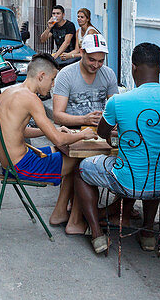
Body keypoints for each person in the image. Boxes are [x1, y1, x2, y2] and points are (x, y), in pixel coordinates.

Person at [73, 43, 160, 254]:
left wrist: (121, 132)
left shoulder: (118, 101)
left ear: (133, 68)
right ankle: (148, 233)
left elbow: (103, 133)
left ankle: (96, 234)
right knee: (157, 166)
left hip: (126, 180)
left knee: (81, 169)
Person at [49, 33, 119, 233]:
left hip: (98, 134)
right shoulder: (67, 75)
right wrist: (84, 120)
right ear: (81, 52)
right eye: (91, 59)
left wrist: (110, 123)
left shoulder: (108, 74)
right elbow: (58, 116)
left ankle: (66, 212)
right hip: (72, 133)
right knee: (83, 164)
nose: (96, 65)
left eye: (100, 61)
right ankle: (76, 218)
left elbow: (115, 107)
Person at [0, 53, 91, 193]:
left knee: (57, 151)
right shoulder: (31, 99)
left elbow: (18, 130)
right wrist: (83, 134)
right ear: (41, 76)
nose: (53, 84)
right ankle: (67, 214)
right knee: (79, 159)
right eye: (52, 79)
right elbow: (58, 140)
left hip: (8, 163)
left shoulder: (8, 92)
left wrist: (52, 130)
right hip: (21, 167)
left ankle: (63, 212)